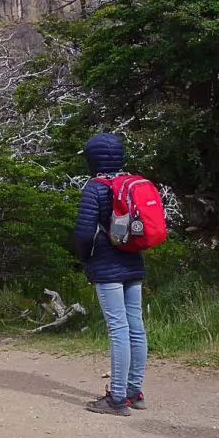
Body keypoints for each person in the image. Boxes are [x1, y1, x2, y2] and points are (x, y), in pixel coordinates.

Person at [74, 132, 148, 416]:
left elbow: (83, 232)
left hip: (106, 266)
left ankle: (116, 398)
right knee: (136, 327)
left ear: (93, 159)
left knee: (118, 330)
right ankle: (134, 391)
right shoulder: (129, 183)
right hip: (133, 262)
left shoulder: (95, 187)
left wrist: (85, 259)